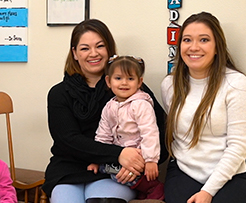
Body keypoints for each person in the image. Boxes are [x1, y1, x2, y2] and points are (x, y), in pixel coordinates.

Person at [43, 19, 168, 203]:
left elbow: (161, 131)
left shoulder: (130, 88)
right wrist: (119, 154)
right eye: (85, 48)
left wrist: (137, 163)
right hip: (68, 170)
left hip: (116, 171)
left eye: (100, 46)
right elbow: (68, 141)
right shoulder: (58, 93)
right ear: (75, 53)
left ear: (109, 49)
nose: (93, 53)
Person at [161, 12, 246, 203]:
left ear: (217, 47)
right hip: (184, 170)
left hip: (232, 173)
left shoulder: (235, 84)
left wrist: (208, 191)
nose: (194, 47)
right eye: (187, 40)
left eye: (204, 40)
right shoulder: (169, 85)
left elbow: (239, 146)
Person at [86, 55, 164, 200]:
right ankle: (134, 186)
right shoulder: (109, 106)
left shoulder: (141, 104)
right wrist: (96, 158)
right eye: (118, 78)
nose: (124, 83)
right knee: (103, 169)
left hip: (139, 155)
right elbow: (103, 134)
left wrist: (151, 160)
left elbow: (150, 133)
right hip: (118, 156)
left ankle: (152, 187)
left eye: (130, 78)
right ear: (108, 82)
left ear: (140, 82)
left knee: (137, 175)